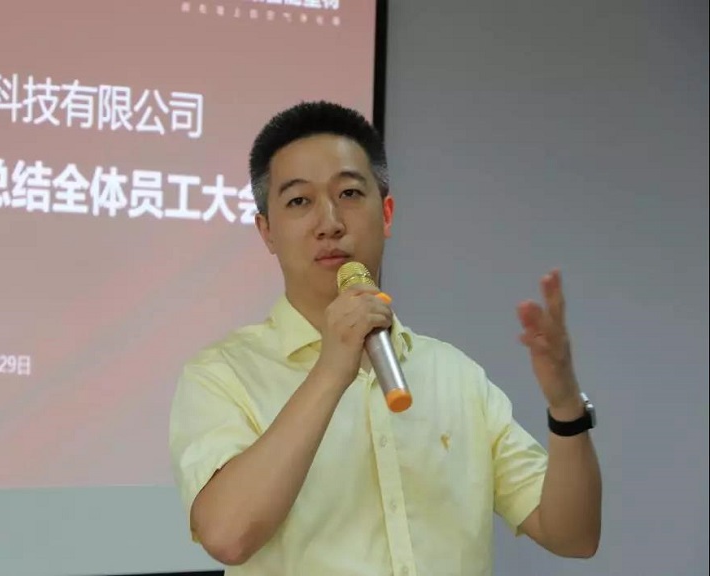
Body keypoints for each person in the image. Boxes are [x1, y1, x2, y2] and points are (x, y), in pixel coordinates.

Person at [168, 100, 602, 575]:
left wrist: (566, 408)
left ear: (387, 213)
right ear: (267, 232)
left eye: (349, 193)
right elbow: (227, 535)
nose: (330, 222)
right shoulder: (222, 374)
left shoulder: (455, 375)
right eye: (299, 201)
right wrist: (332, 368)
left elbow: (574, 536)